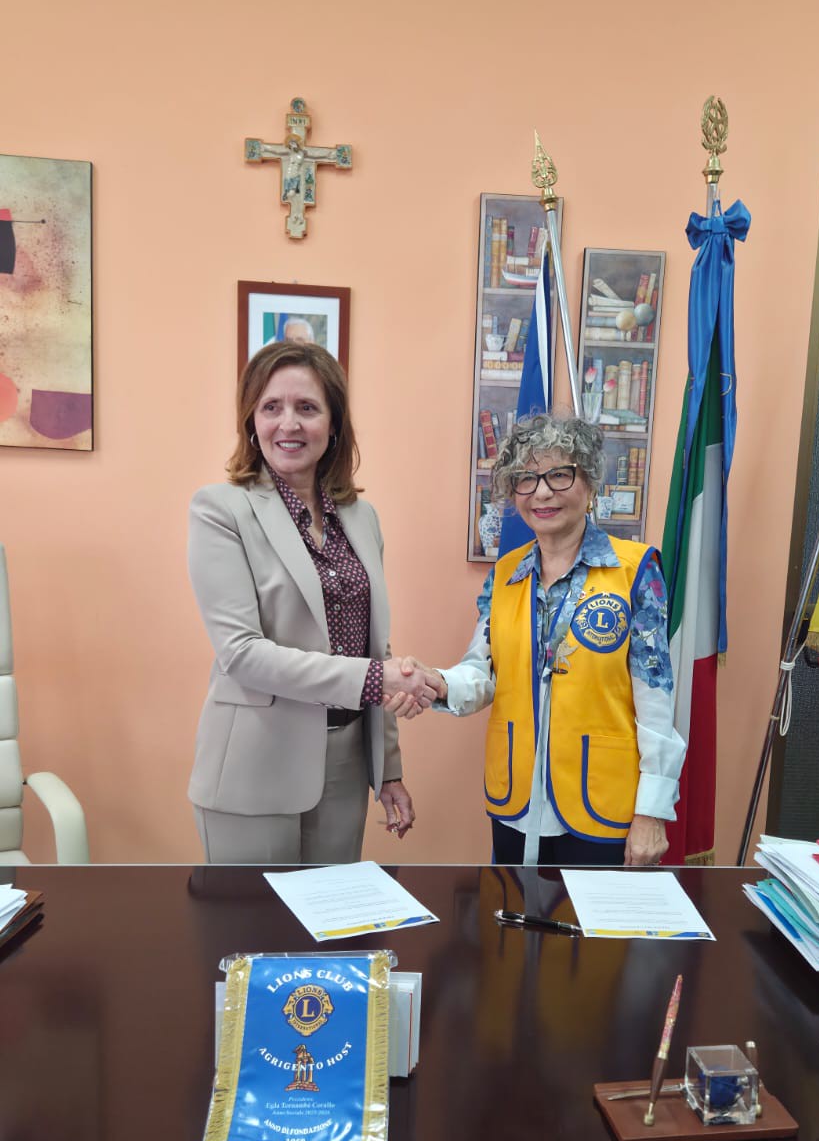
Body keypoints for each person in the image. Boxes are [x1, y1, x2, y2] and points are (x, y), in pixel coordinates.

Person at [188, 339, 437, 864]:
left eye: (307, 407)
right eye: (271, 407)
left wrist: (388, 769)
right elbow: (242, 654)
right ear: (251, 422)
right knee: (251, 916)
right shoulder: (221, 510)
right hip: (255, 764)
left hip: (346, 764)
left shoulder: (362, 518)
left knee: (331, 915)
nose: (289, 423)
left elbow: (375, 646)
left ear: (334, 423)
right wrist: (380, 679)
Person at [408, 413, 685, 867]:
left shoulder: (634, 572)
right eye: (526, 478)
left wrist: (651, 810)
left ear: (589, 484)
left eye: (559, 474)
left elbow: (656, 700)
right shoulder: (505, 574)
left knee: (593, 917)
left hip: (603, 802)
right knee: (513, 912)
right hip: (516, 798)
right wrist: (438, 682)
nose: (541, 492)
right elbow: (483, 670)